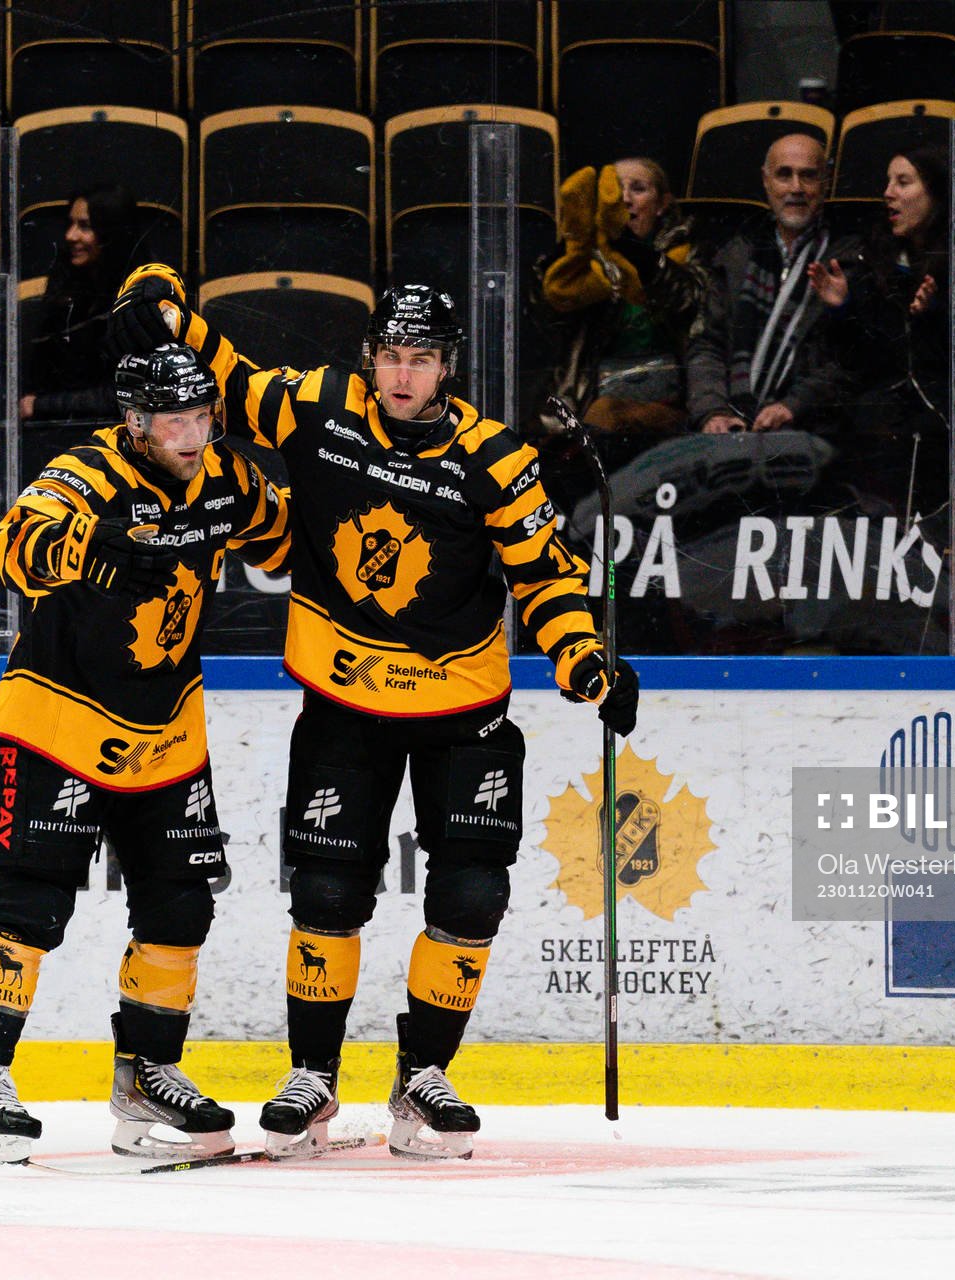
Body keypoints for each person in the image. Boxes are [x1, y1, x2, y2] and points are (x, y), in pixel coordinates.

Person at [108, 266, 640, 1161]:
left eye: (421, 359)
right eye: (391, 355)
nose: (402, 375)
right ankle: (312, 1076)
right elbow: (233, 382)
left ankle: (422, 1078)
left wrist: (585, 661)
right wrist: (167, 310)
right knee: (325, 892)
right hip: (343, 700)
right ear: (369, 357)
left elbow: (546, 574)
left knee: (471, 892)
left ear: (449, 367)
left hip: (461, 709)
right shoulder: (322, 406)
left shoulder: (495, 457)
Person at [0, 344, 293, 1164]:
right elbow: (13, 548)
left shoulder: (224, 475)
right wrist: (93, 548)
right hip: (60, 714)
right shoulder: (87, 471)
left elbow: (281, 540)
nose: (194, 435)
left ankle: (145, 1078)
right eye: (176, 421)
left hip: (165, 726)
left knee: (180, 907)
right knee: (32, 904)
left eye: (204, 418)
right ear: (134, 422)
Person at [806, 145, 951, 514]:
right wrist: (843, 308)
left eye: (903, 182)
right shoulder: (876, 256)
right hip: (882, 401)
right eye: (888, 182)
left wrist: (934, 315)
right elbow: (865, 358)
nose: (888, 192)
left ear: (934, 193)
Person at [686, 132, 859, 435]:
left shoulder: (848, 259)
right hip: (732, 424)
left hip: (810, 428)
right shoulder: (735, 255)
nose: (796, 188)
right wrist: (712, 412)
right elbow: (707, 347)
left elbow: (849, 363)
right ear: (766, 181)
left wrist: (792, 406)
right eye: (784, 175)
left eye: (809, 176)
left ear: (826, 183)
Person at [534, 157, 708, 434]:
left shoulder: (688, 250)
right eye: (615, 191)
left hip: (674, 401)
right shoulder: (589, 262)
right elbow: (543, 319)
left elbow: (692, 304)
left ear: (662, 203)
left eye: (638, 189)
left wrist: (635, 253)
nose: (624, 200)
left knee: (606, 414)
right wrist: (574, 245)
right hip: (593, 397)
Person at [21, 185, 142, 425]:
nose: (70, 236)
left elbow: (130, 395)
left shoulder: (141, 297)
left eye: (85, 226)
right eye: (71, 224)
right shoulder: (69, 286)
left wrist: (42, 406)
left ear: (111, 232)